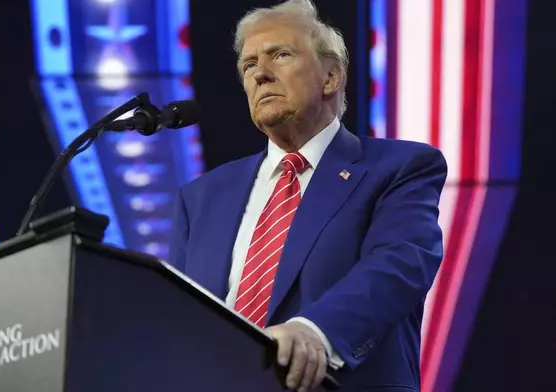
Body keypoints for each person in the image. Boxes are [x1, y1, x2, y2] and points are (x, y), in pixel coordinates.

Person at [169, 0, 447, 391]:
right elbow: (177, 317)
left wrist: (315, 331)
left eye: (280, 55)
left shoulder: (400, 167)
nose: (261, 74)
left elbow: (399, 265)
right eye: (249, 66)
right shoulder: (201, 197)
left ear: (331, 77)